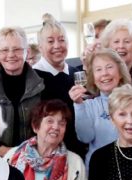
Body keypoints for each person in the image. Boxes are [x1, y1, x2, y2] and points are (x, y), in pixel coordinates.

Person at [69, 48, 132, 168]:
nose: (104, 73)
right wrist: (78, 105)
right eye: (98, 69)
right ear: (93, 77)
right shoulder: (88, 105)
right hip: (99, 170)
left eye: (109, 67)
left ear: (120, 71)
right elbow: (85, 138)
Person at [0, 26, 44, 156]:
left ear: (27, 52)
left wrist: (30, 153)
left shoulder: (43, 84)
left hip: (37, 157)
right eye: (4, 50)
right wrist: (6, 152)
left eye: (17, 49)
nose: (11, 55)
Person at [33, 13, 88, 160]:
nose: (57, 46)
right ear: (40, 47)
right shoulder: (33, 77)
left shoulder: (76, 73)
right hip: (47, 153)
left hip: (78, 149)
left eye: (62, 40)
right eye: (50, 41)